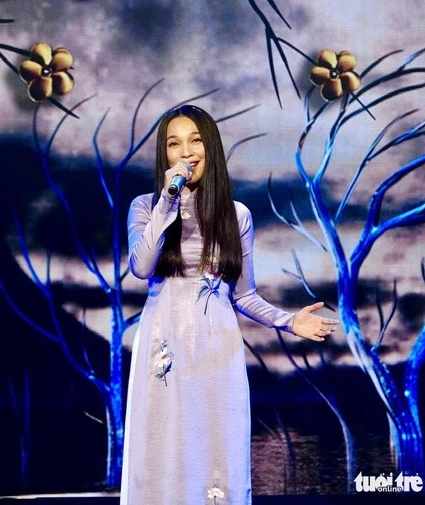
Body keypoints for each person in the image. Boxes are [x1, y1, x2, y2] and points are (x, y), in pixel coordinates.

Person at [120, 104, 338, 504]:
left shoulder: (237, 216)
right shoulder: (146, 206)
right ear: (164, 154)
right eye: (174, 144)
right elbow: (141, 266)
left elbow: (244, 295)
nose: (186, 152)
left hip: (216, 351)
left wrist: (289, 321)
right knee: (162, 451)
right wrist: (167, 203)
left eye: (195, 141)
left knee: (216, 453)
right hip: (163, 349)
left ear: (210, 148)